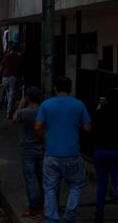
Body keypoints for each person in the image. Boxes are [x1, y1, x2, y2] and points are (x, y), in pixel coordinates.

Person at [35, 76, 91, 223]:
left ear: (55, 88)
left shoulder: (46, 105)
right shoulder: (79, 105)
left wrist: (42, 140)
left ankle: (52, 218)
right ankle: (70, 216)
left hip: (51, 153)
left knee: (50, 187)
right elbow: (87, 128)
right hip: (72, 153)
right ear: (70, 88)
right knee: (76, 184)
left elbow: (38, 127)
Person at [13, 86, 44, 218]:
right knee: (43, 179)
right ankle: (48, 205)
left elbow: (14, 118)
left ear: (27, 98)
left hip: (28, 150)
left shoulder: (24, 112)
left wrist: (20, 104)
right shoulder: (44, 111)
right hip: (41, 149)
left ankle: (33, 208)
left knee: (30, 180)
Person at [91, 88, 118, 222]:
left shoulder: (99, 113)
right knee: (116, 181)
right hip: (115, 152)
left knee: (102, 183)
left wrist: (99, 107)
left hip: (100, 152)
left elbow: (92, 128)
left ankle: (99, 213)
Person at [0, 43, 25, 118]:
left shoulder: (7, 56)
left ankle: (10, 109)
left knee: (9, 95)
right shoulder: (20, 57)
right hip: (14, 78)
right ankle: (9, 113)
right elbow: (23, 69)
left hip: (5, 78)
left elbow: (2, 67)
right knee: (11, 96)